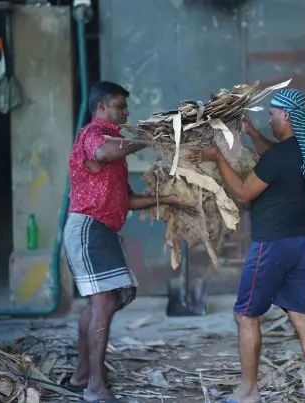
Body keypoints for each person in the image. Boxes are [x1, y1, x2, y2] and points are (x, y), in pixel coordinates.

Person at [189, 88, 305, 403]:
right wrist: (251, 133)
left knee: (245, 315)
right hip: (300, 242)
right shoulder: (304, 152)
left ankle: (249, 391)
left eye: (271, 115)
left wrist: (217, 157)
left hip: (272, 247)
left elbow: (242, 192)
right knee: (299, 317)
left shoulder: (279, 156)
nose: (269, 120)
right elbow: (272, 158)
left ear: (286, 116)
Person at [62, 81, 194, 403]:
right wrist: (148, 137)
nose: (126, 111)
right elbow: (103, 151)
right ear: (101, 108)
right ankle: (95, 387)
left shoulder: (116, 145)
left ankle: (82, 377)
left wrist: (170, 199)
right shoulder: (95, 134)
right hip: (88, 228)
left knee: (96, 306)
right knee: (103, 305)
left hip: (100, 230)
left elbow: (127, 201)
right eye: (120, 106)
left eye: (125, 106)